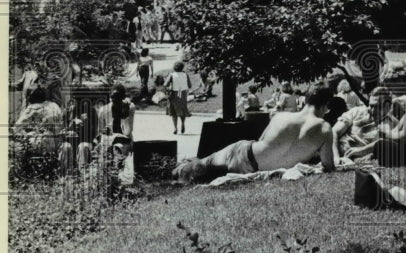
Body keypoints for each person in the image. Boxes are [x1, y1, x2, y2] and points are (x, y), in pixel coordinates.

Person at [173, 87, 343, 183]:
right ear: (326, 106)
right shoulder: (325, 129)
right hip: (257, 167)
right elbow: (328, 166)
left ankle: (179, 172)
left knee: (205, 164)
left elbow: (261, 141)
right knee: (205, 167)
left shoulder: (281, 117)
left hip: (246, 154)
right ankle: (180, 169)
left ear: (306, 100)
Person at [332, 85, 393, 162]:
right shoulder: (356, 112)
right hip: (338, 153)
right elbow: (334, 132)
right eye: (371, 106)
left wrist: (360, 151)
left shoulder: (391, 124)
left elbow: (384, 144)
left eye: (378, 107)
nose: (372, 110)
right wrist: (335, 157)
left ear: (388, 107)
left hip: (360, 159)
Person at [167, 61, 191, 134]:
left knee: (173, 111)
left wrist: (169, 87)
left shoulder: (172, 75)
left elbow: (165, 84)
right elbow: (189, 85)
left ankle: (175, 127)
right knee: (182, 110)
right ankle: (183, 124)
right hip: (182, 93)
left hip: (174, 94)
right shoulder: (185, 74)